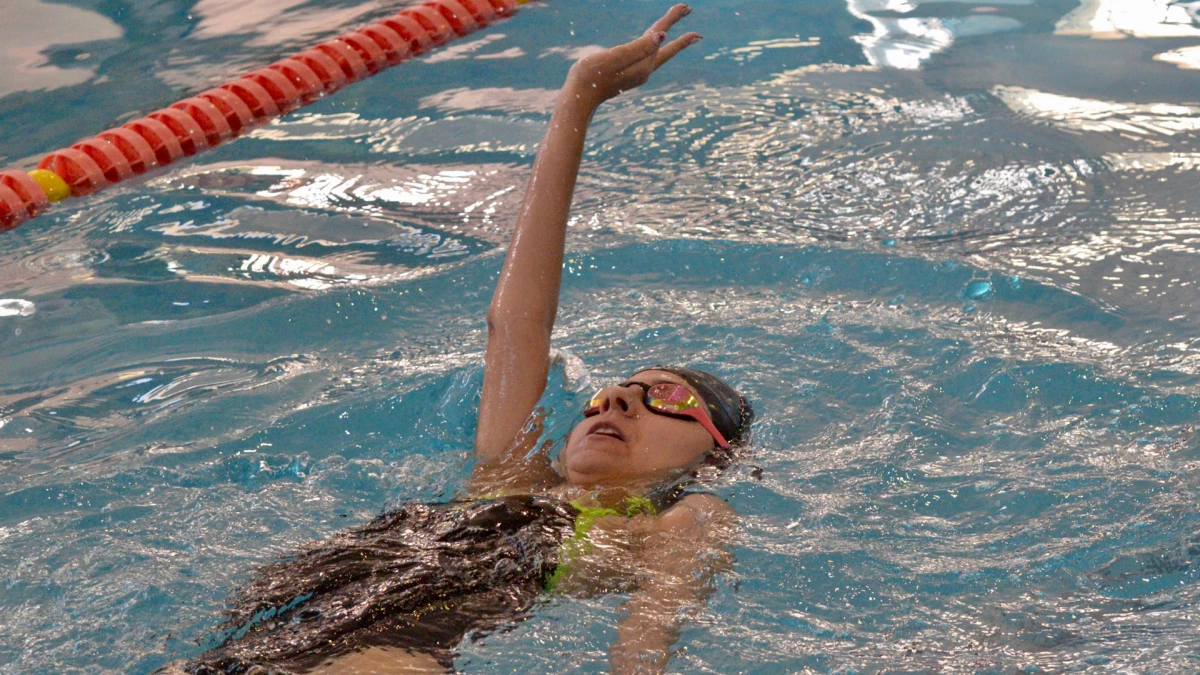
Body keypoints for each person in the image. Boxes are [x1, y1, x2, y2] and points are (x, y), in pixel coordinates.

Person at [177, 5, 753, 674]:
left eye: (663, 399)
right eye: (607, 395)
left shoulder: (673, 522)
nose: (617, 403)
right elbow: (515, 324)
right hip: (250, 650)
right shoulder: (508, 475)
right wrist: (577, 98)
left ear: (713, 456)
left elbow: (645, 642)